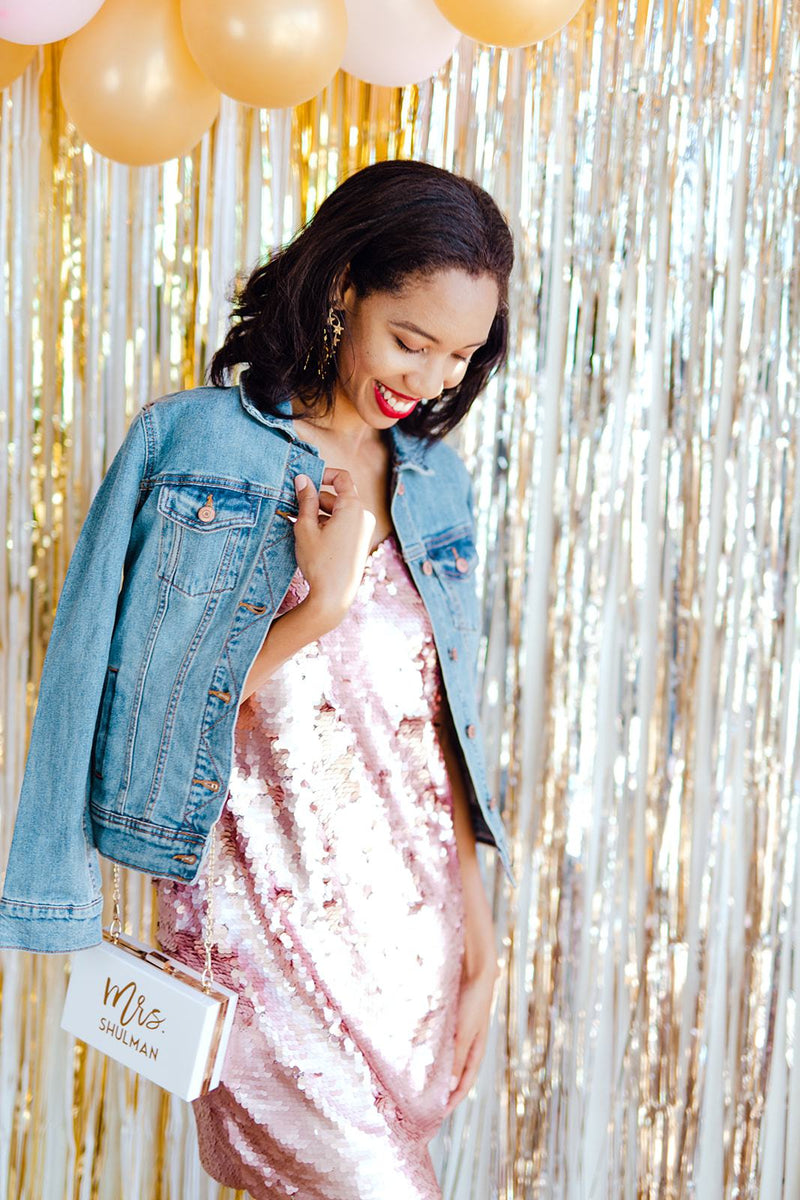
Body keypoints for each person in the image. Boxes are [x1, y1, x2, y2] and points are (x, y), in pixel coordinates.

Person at [152, 159, 515, 1200]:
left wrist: (478, 931)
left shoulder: (435, 483)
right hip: (255, 931)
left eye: (460, 355)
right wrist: (319, 608)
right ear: (343, 284)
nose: (433, 378)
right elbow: (166, 716)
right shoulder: (201, 451)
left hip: (410, 931)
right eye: (411, 339)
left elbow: (439, 727)